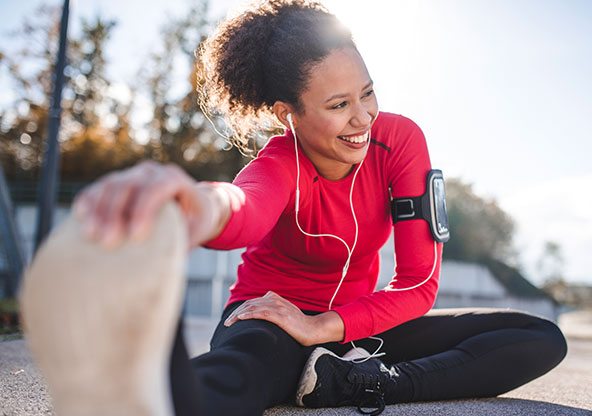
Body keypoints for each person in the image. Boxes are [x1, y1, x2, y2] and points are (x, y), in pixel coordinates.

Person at [20, 1, 567, 415]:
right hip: (271, 319)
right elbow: (242, 208)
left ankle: (354, 383)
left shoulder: (399, 141)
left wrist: (326, 328)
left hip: (350, 331)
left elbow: (418, 285)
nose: (363, 118)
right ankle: (143, 384)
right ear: (289, 114)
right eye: (338, 105)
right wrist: (187, 205)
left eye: (367, 93)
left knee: (537, 337)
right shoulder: (279, 162)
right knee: (238, 377)